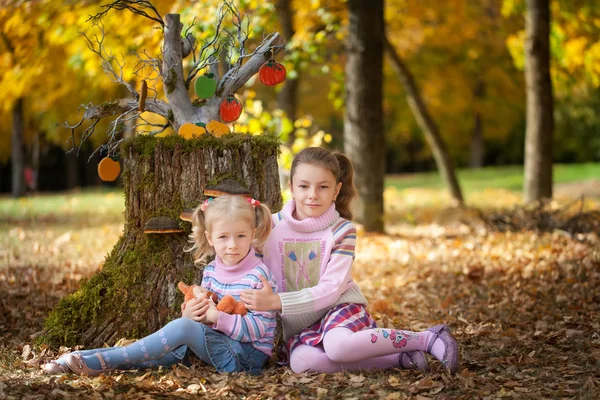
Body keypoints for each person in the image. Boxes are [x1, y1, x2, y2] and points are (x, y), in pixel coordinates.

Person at [240, 147, 459, 374]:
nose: (312, 194)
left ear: (336, 190)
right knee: (301, 364)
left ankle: (426, 339)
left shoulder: (342, 230)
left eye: (323, 187)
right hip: (298, 323)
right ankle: (399, 357)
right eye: (304, 186)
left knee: (338, 348)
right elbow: (249, 270)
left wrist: (276, 301)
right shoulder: (270, 227)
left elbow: (331, 289)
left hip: (337, 306)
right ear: (291, 188)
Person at [43, 195, 277, 376]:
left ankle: (102, 360)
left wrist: (216, 318)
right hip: (215, 346)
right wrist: (192, 314)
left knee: (183, 330)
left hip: (246, 357)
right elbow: (208, 311)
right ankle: (80, 359)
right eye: (224, 237)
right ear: (210, 238)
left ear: (252, 234)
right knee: (161, 356)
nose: (232, 245)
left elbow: (259, 329)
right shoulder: (212, 270)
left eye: (241, 236)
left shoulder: (258, 275)